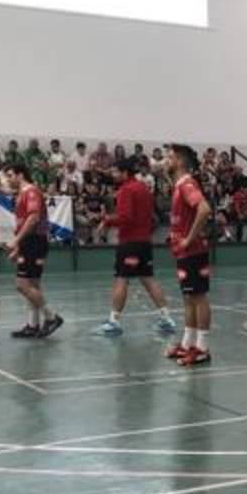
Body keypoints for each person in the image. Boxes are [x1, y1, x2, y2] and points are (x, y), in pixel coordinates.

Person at [94, 158, 176, 337]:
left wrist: (106, 220)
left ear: (125, 173)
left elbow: (126, 217)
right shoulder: (144, 188)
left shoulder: (126, 190)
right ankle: (166, 319)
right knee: (149, 279)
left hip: (130, 243)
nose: (113, 175)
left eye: (115, 171)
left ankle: (114, 322)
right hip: (144, 242)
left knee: (121, 279)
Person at [164, 144, 213, 367]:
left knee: (198, 298)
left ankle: (202, 348)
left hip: (193, 251)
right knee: (188, 298)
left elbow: (204, 209)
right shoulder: (178, 185)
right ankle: (187, 343)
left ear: (181, 161)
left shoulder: (188, 184)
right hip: (183, 251)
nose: (166, 160)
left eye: (170, 157)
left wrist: (189, 238)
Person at [3, 163, 64, 339]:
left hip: (35, 241)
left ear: (21, 175)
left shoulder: (31, 191)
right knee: (32, 285)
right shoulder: (21, 194)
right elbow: (24, 222)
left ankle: (51, 317)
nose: (8, 179)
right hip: (29, 242)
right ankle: (32, 325)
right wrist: (19, 248)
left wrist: (16, 241)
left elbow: (34, 218)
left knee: (22, 285)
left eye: (10, 175)